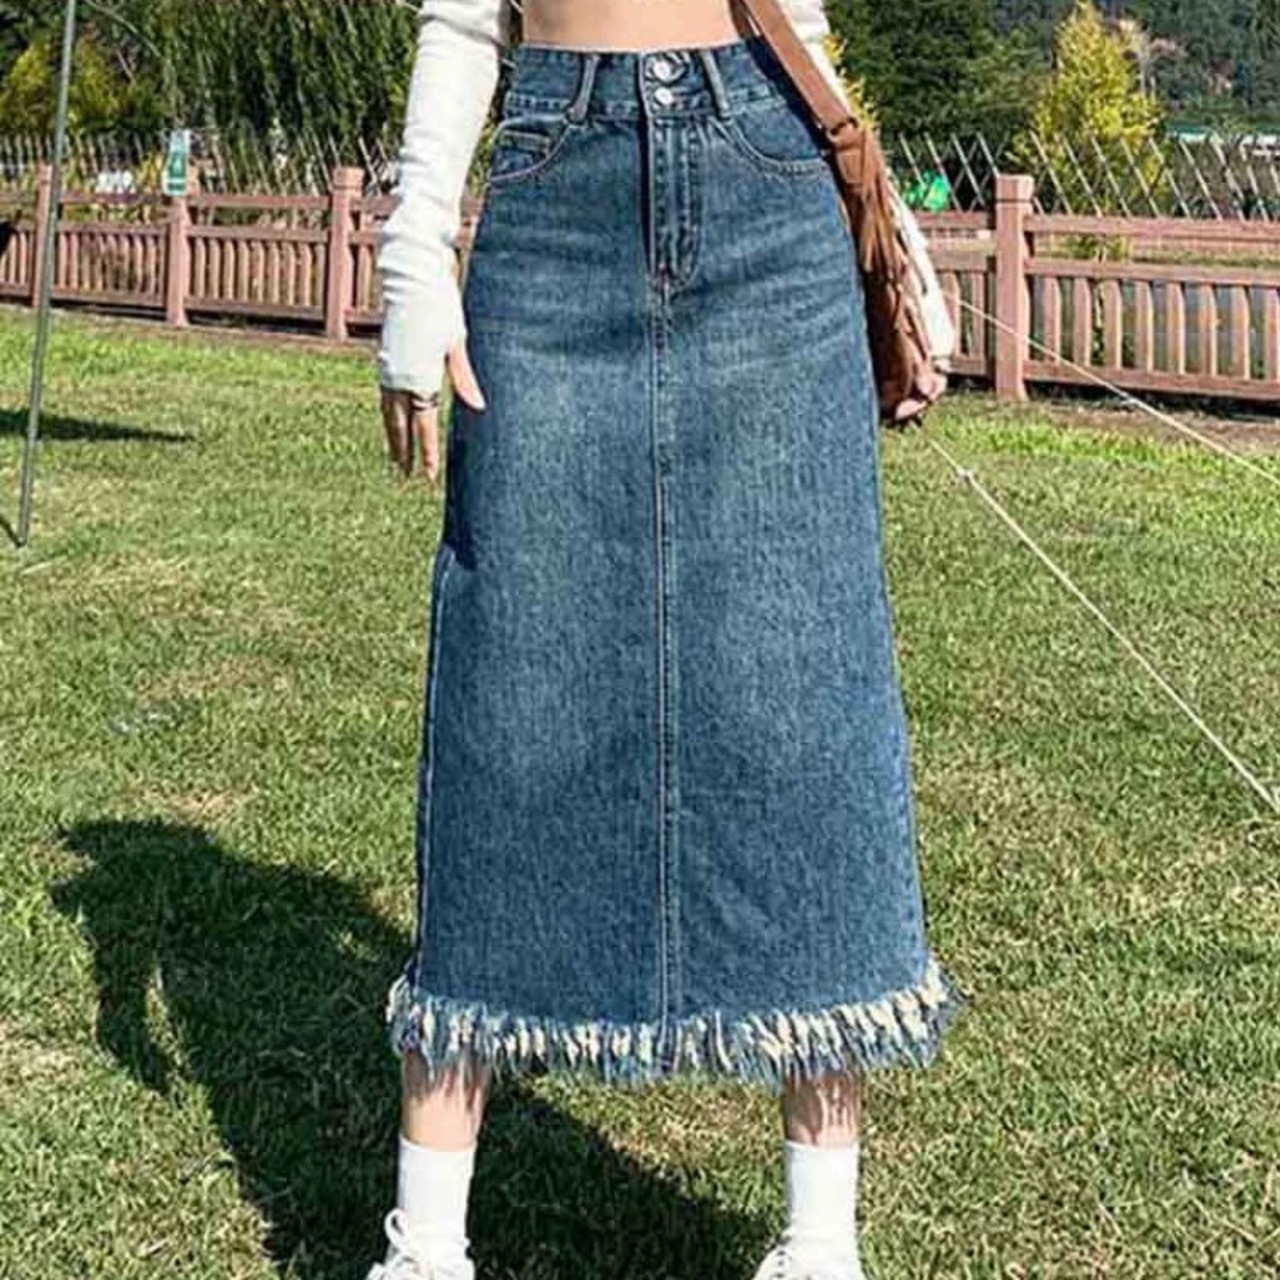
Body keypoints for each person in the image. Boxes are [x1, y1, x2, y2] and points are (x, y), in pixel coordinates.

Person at [371, 2, 969, 1277]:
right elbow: (465, 19)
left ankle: (821, 1245)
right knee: (509, 690)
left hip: (772, 184)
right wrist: (414, 247)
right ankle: (424, 1248)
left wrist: (887, 224)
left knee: (802, 687)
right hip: (554, 188)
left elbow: (796, 15)